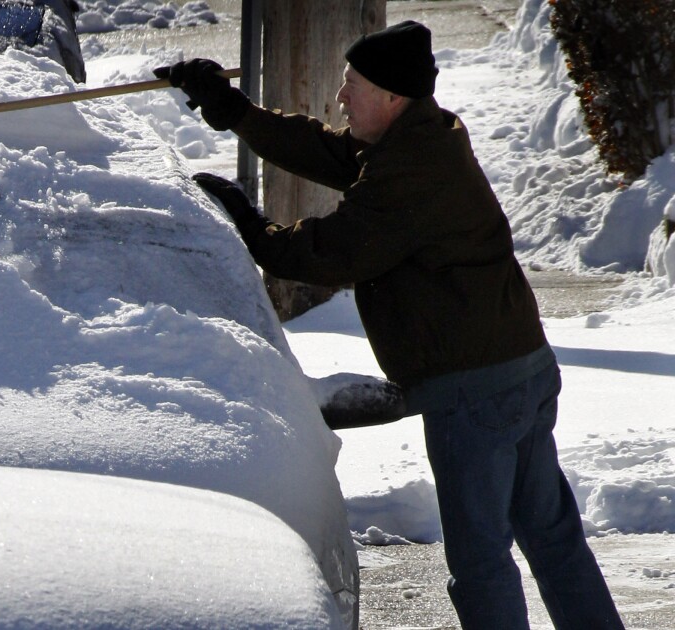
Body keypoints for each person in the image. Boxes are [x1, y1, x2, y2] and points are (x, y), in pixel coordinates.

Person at [155, 20, 624, 630]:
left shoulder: (411, 170)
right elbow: (328, 150)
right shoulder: (424, 137)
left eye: (352, 85)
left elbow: (336, 251)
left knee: (481, 561)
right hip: (522, 369)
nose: (340, 97)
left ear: (393, 95)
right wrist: (234, 110)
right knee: (552, 537)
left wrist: (252, 227)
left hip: (474, 392)